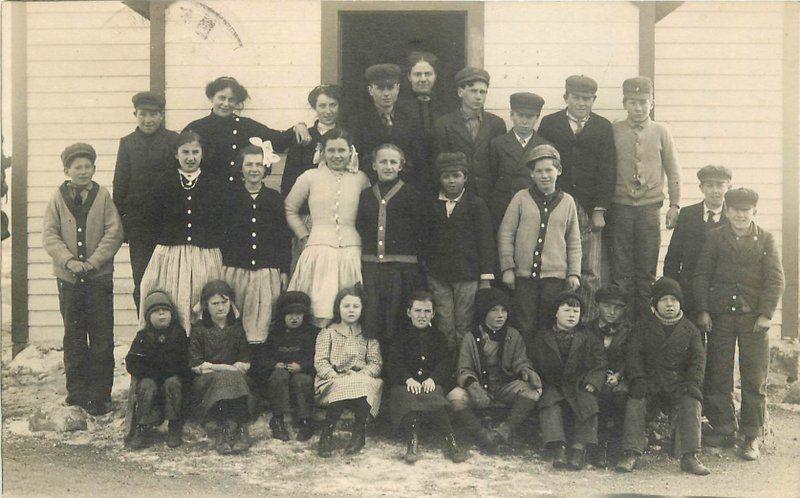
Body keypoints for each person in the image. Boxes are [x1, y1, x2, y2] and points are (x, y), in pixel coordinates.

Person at [694, 188, 785, 460]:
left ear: (754, 212)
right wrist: (703, 310)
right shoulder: (715, 238)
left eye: (746, 210)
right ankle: (723, 428)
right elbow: (701, 275)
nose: (740, 215)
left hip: (754, 320)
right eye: (735, 210)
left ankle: (751, 435)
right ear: (728, 210)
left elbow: (775, 280)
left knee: (754, 377)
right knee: (719, 372)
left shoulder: (766, 239)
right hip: (721, 317)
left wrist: (766, 314)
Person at [42, 143, 124, 415]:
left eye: (88, 166)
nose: (83, 171)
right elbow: (50, 235)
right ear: (67, 170)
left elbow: (113, 232)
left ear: (94, 169)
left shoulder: (102, 196)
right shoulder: (57, 197)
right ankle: (76, 392)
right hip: (69, 279)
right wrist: (69, 261)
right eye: (77, 167)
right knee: (74, 336)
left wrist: (93, 262)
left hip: (98, 278)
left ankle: (99, 396)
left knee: (101, 336)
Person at [537, 75, 616, 318]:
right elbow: (543, 164)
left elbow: (608, 169)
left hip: (590, 205)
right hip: (559, 203)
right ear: (566, 98)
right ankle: (560, 321)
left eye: (587, 98)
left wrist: (600, 209)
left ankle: (588, 322)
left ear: (593, 100)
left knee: (590, 270)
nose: (581, 103)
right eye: (576, 98)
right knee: (561, 266)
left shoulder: (603, 126)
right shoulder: (550, 123)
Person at [618, 278, 709, 475]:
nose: (669, 304)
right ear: (654, 305)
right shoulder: (643, 327)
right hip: (650, 383)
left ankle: (689, 456)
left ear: (680, 304)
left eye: (674, 300)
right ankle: (631, 453)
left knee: (692, 401)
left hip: (677, 385)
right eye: (664, 300)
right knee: (635, 399)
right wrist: (638, 379)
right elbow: (633, 356)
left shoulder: (690, 329)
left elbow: (698, 361)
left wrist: (692, 383)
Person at [138, 130, 223, 334]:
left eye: (195, 152)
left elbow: (223, 222)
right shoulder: (162, 182)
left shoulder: (215, 184)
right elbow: (150, 220)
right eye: (185, 152)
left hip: (204, 256)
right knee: (172, 302)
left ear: (202, 154)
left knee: (200, 306)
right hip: (170, 256)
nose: (191, 158)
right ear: (176, 154)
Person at [610, 76, 681, 319]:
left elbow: (673, 171)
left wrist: (675, 205)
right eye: (632, 102)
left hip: (650, 210)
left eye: (643, 102)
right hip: (620, 209)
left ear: (651, 102)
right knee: (621, 271)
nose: (638, 108)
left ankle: (644, 324)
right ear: (624, 103)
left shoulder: (661, 132)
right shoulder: (615, 130)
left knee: (646, 270)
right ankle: (622, 326)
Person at [285, 128, 371, 326]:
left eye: (342, 150)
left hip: (352, 252)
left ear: (351, 151)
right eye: (331, 150)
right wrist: (304, 235)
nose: (337, 155)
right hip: (319, 251)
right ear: (322, 151)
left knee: (350, 308)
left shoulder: (361, 178)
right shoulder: (310, 177)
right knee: (319, 308)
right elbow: (290, 208)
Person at [498, 144, 581, 344]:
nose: (544, 176)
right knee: (525, 324)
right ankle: (525, 368)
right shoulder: (520, 198)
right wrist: (508, 268)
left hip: (554, 278)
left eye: (549, 170)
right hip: (524, 277)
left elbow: (574, 240)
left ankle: (545, 369)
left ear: (558, 171)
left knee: (548, 323)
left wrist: (573, 273)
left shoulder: (568, 201)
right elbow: (506, 234)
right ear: (532, 174)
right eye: (539, 171)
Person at [447, 288, 542, 455]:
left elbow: (521, 360)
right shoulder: (471, 337)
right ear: (484, 312)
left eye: (504, 310)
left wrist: (526, 371)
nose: (500, 315)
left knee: (534, 391)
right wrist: (472, 385)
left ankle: (502, 432)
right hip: (479, 387)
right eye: (494, 310)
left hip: (503, 387)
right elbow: (463, 368)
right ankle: (482, 435)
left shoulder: (513, 335)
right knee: (454, 397)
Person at [113, 91, 180, 313]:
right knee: (142, 280)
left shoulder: (174, 141)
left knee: (169, 279)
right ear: (135, 114)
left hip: (168, 225)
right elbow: (120, 186)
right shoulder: (127, 144)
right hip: (139, 227)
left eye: (153, 114)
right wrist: (122, 226)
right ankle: (145, 331)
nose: (148, 120)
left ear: (161, 115)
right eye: (142, 114)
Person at [355, 144, 426, 352]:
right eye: (383, 162)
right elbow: (361, 225)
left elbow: (421, 230)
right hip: (372, 269)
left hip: (401, 271)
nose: (388, 166)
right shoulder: (366, 195)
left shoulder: (412, 194)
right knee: (373, 319)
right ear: (374, 165)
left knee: (397, 322)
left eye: (393, 162)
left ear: (401, 166)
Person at [423, 152, 496, 349]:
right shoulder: (431, 205)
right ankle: (446, 368)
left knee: (464, 323)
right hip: (439, 276)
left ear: (465, 177)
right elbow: (425, 240)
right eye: (446, 176)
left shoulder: (476, 204)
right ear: (439, 178)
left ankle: (464, 368)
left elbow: (486, 242)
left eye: (456, 176)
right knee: (444, 322)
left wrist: (485, 277)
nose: (451, 181)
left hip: (467, 275)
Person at [387, 291, 468, 464]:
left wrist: (433, 378)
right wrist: (407, 379)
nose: (422, 316)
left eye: (426, 311)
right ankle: (412, 442)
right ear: (408, 312)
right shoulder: (400, 336)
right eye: (417, 311)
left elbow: (445, 363)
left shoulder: (439, 337)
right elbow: (394, 363)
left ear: (433, 314)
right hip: (405, 385)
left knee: (435, 396)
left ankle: (451, 440)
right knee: (407, 398)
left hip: (430, 385)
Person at [221, 144, 291, 344]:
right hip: (236, 270)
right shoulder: (229, 197)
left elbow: (283, 237)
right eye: (249, 164)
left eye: (259, 165)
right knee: (235, 318)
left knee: (262, 320)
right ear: (241, 168)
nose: (254, 169)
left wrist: (284, 269)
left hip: (265, 271)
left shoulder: (274, 198)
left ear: (265, 168)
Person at [530, 292, 606, 470]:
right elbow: (532, 362)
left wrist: (593, 381)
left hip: (578, 385)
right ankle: (559, 448)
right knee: (549, 404)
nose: (572, 315)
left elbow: (600, 362)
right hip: (553, 384)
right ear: (555, 313)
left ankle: (579, 448)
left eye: (576, 311)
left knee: (587, 402)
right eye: (566, 310)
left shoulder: (588, 337)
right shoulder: (542, 337)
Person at [183, 76, 310, 183]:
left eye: (231, 99)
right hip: (207, 195)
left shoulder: (247, 126)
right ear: (211, 98)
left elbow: (278, 140)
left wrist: (298, 127)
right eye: (222, 98)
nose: (226, 104)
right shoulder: (196, 128)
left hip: (239, 194)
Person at [314, 286, 383, 457]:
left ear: (362, 309)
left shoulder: (368, 335)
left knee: (364, 385)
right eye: (346, 306)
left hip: (361, 377)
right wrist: (334, 375)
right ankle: (327, 434)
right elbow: (320, 361)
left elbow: (376, 363)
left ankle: (359, 434)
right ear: (338, 308)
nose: (351, 310)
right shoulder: (328, 332)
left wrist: (361, 374)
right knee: (341, 386)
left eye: (355, 306)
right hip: (333, 378)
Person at [189, 280, 252, 455]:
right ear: (206, 306)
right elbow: (196, 364)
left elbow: (245, 360)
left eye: (224, 303)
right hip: (207, 381)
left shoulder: (237, 328)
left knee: (233, 378)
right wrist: (225, 368)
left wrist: (231, 369)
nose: (220, 308)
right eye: (215, 303)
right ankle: (223, 431)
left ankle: (239, 428)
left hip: (236, 378)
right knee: (226, 378)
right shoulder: (199, 329)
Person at [663, 165, 732, 321]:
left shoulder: (734, 218)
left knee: (719, 343)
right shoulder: (687, 215)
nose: (715, 190)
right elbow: (673, 257)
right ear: (701, 188)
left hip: (721, 293)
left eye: (720, 185)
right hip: (690, 291)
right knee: (692, 341)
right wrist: (674, 291)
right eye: (710, 185)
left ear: (729, 187)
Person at [124, 290, 190, 450]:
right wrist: (148, 372)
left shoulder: (178, 334)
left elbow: (185, 361)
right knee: (146, 385)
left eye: (165, 311)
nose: (161, 314)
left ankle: (174, 426)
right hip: (151, 379)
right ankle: (142, 426)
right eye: (156, 311)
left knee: (173, 383)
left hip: (171, 379)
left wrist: (170, 370)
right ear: (148, 316)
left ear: (172, 314)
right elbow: (132, 362)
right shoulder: (143, 336)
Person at [249, 291, 319, 442]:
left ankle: (306, 420)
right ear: (282, 315)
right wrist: (274, 364)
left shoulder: (311, 332)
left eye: (299, 314)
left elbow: (317, 357)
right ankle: (278, 419)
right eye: (290, 314)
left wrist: (302, 366)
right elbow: (262, 355)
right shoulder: (274, 331)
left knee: (303, 380)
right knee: (278, 377)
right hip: (280, 373)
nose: (294, 318)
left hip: (301, 372)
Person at [433, 67, 507, 201]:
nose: (478, 96)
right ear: (460, 92)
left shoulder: (496, 124)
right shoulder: (444, 124)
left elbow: (499, 163)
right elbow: (441, 163)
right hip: (457, 195)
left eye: (482, 92)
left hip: (488, 195)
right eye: (473, 91)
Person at [350, 64, 423, 186]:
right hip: (372, 185)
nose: (386, 93)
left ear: (398, 88)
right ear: (370, 90)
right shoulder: (359, 121)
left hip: (405, 185)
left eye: (390, 88)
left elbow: (417, 156)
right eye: (380, 88)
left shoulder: (411, 119)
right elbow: (359, 157)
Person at [487, 91, 549, 228]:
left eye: (530, 116)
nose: (525, 121)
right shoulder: (498, 144)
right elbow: (492, 177)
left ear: (537, 117)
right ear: (511, 115)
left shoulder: (545, 146)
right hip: (503, 206)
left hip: (533, 206)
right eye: (520, 115)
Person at [586, 284, 632, 468]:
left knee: (620, 395)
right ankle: (597, 446)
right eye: (607, 306)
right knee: (599, 395)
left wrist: (620, 375)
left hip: (620, 376)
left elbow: (633, 357)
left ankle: (616, 447)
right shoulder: (587, 328)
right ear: (597, 306)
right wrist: (598, 376)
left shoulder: (629, 330)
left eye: (618, 307)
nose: (612, 312)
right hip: (593, 376)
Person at [281, 84, 344, 200]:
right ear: (315, 107)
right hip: (306, 206)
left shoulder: (346, 137)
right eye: (322, 106)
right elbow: (289, 180)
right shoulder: (304, 136)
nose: (328, 111)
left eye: (333, 105)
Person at [397, 51, 447, 189]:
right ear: (409, 76)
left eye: (428, 74)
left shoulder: (445, 107)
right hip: (407, 178)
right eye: (417, 74)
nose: (423, 79)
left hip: (438, 178)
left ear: (435, 76)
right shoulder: (398, 107)